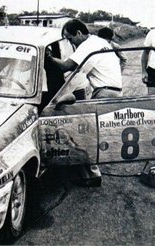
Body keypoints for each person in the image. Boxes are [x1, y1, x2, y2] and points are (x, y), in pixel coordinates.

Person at [46, 19, 122, 187]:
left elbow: (66, 67)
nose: (70, 42)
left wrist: (49, 57)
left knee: (87, 135)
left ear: (79, 33)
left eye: (70, 38)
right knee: (91, 134)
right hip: (112, 90)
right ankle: (90, 172)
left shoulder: (87, 45)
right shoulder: (99, 41)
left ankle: (93, 176)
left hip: (104, 92)